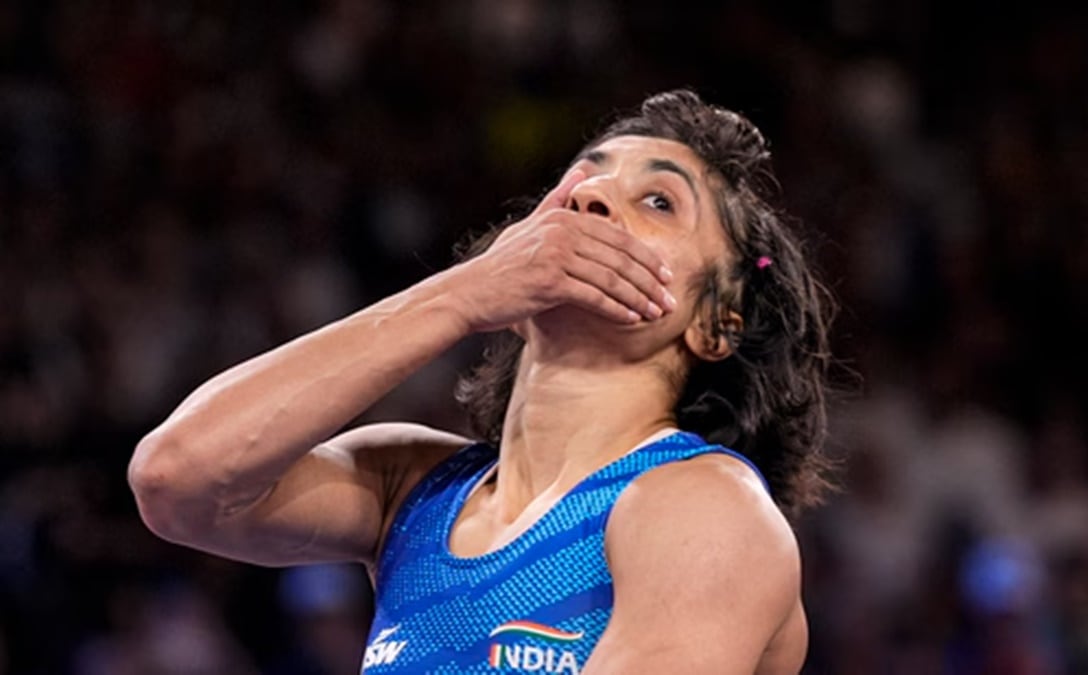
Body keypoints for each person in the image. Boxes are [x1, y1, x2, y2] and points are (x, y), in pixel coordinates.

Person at [128, 90, 833, 674]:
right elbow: (176, 476)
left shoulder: (707, 507)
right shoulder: (412, 487)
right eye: (579, 183)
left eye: (658, 202)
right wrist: (460, 295)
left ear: (714, 323)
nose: (589, 201)